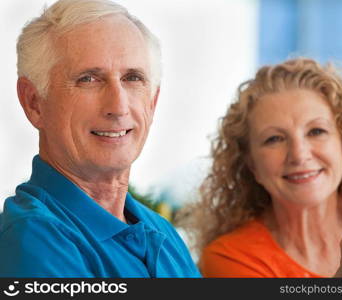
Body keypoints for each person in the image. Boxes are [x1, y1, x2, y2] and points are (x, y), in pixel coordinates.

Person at [0, 0, 200, 278]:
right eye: (88, 79)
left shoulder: (161, 232)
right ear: (34, 102)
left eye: (133, 78)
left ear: (152, 102)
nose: (118, 107)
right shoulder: (32, 239)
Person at [179, 58, 342, 277]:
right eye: (274, 139)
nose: (299, 154)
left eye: (316, 131)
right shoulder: (230, 258)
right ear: (251, 165)